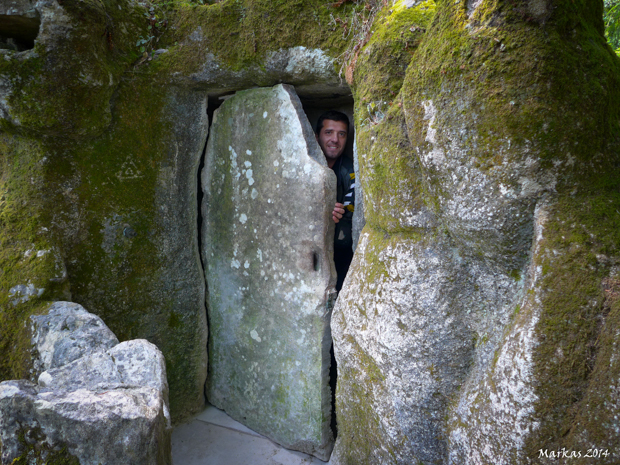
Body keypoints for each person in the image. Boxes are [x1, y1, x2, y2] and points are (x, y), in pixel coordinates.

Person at [315, 110, 355, 292]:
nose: (335, 140)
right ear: (317, 137)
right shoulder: (304, 166)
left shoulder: (350, 169)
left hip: (339, 253)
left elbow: (355, 203)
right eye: (329, 132)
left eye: (341, 134)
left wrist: (343, 212)